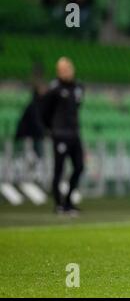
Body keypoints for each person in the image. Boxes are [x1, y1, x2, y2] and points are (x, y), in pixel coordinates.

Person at [41, 57, 84, 215]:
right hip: (60, 134)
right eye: (62, 69)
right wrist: (51, 128)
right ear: (58, 72)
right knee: (59, 169)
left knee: (79, 167)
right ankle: (59, 204)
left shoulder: (79, 87)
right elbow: (44, 110)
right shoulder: (54, 88)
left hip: (74, 133)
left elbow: (77, 106)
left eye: (68, 68)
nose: (66, 71)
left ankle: (69, 201)